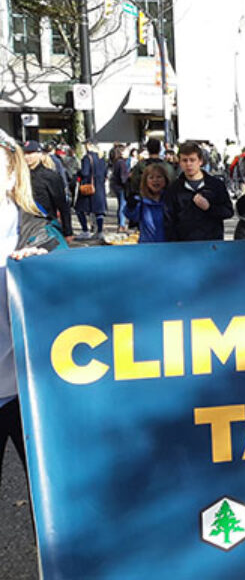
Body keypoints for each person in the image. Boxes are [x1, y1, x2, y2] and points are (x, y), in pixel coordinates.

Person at [0, 129, 65, 494]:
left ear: (11, 174)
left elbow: (85, 307)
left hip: (31, 393)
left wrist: (49, 273)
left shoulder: (42, 235)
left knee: (51, 501)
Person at [163, 142, 234, 241]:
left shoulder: (215, 185)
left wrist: (209, 208)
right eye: (184, 160)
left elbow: (228, 212)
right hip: (184, 246)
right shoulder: (174, 188)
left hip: (211, 243)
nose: (188, 164)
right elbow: (169, 221)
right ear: (179, 162)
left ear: (200, 161)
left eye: (192, 160)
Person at [22, 141, 72, 238]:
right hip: (24, 227)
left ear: (40, 154)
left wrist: (68, 232)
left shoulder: (50, 176)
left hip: (45, 226)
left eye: (31, 153)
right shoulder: (18, 176)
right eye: (24, 153)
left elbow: (62, 205)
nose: (27, 157)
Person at [123, 163, 170, 243]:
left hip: (167, 246)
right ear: (146, 181)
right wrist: (130, 206)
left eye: (159, 177)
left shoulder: (170, 200)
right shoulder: (141, 201)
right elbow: (132, 216)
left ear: (165, 180)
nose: (155, 180)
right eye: (151, 178)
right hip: (147, 245)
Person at [75, 141, 108, 238]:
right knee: (99, 211)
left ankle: (85, 230)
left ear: (89, 146)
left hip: (88, 187)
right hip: (99, 188)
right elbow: (105, 173)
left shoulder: (87, 158)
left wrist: (78, 173)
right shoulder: (101, 158)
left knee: (79, 209)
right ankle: (100, 231)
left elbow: (85, 172)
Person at [108, 144, 132, 231]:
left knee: (120, 205)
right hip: (121, 187)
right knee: (122, 205)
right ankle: (122, 224)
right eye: (126, 151)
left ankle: (121, 223)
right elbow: (123, 177)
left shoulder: (116, 162)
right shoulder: (122, 163)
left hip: (116, 186)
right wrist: (129, 177)